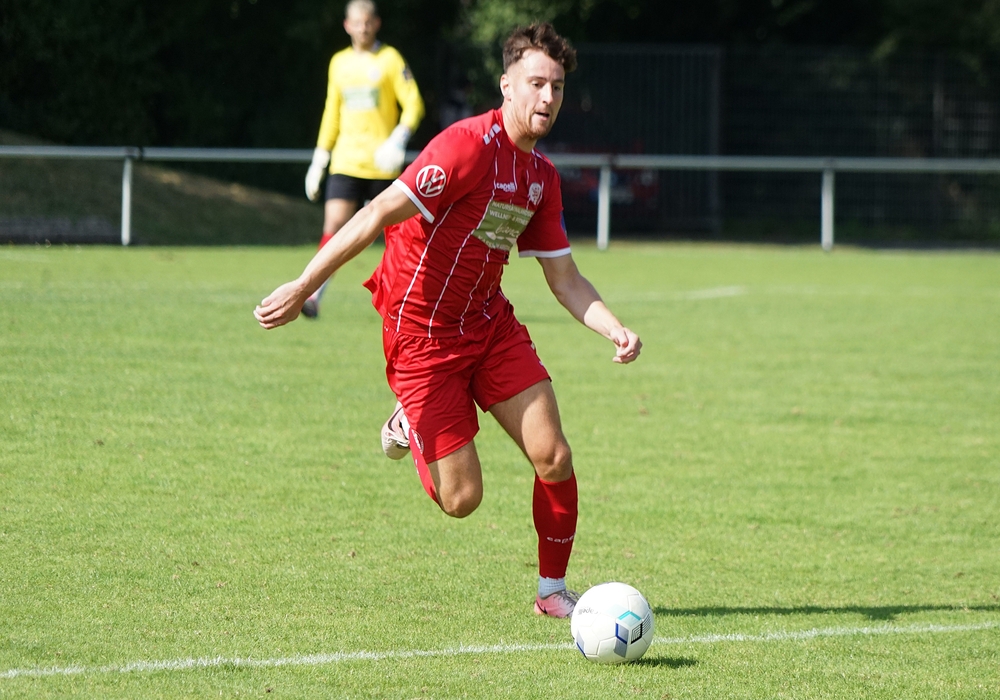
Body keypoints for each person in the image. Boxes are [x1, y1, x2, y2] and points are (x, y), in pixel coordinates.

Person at [256, 22, 641, 618]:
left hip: (487, 323)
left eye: (558, 87)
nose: (547, 97)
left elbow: (564, 278)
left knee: (555, 456)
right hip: (421, 331)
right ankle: (408, 417)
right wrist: (304, 285)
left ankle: (551, 592)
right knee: (461, 500)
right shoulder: (466, 146)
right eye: (536, 83)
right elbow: (377, 212)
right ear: (506, 85)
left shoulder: (541, 178)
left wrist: (613, 327)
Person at [301, 0, 424, 319]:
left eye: (368, 22)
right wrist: (320, 158)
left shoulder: (390, 59)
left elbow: (414, 104)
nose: (363, 28)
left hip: (382, 167)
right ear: (347, 25)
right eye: (357, 22)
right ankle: (313, 294)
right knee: (333, 229)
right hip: (346, 163)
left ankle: (411, 302)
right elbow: (332, 113)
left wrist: (398, 139)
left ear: (377, 23)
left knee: (398, 239)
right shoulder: (338, 63)